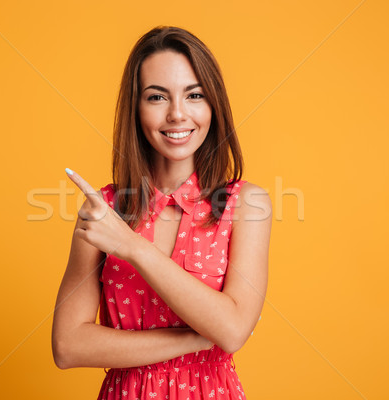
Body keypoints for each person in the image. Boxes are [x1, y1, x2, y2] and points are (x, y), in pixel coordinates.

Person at [51, 25, 272, 399]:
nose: (177, 114)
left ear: (213, 105)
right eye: (157, 97)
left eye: (194, 95)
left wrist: (134, 248)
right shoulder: (104, 209)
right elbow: (68, 345)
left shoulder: (247, 203)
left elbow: (233, 330)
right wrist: (197, 339)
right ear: (136, 109)